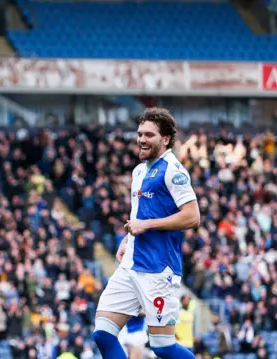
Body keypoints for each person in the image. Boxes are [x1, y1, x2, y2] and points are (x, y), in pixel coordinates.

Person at [92, 107, 201, 359]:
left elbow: (192, 216)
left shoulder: (173, 170)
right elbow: (140, 214)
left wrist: (146, 226)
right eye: (140, 133)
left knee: (162, 346)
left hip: (158, 270)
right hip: (131, 264)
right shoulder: (139, 170)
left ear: (165, 139)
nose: (141, 139)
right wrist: (128, 238)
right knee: (103, 334)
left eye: (149, 135)